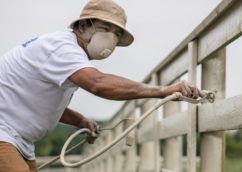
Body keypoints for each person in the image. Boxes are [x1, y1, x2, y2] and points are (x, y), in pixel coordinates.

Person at [0, 0, 200, 171]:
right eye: (104, 29)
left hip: (19, 140)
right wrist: (162, 90)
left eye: (116, 34)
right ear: (81, 27)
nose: (110, 38)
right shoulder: (63, 48)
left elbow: (40, 103)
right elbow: (98, 84)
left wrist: (81, 121)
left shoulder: (69, 56)